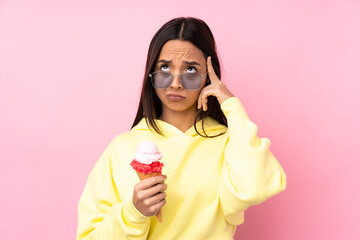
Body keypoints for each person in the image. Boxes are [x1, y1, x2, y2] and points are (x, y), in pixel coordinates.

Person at [76, 17, 287, 240]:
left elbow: (253, 189)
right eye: (165, 68)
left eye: (190, 70)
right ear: (151, 73)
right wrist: (134, 212)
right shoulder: (122, 147)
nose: (175, 83)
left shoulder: (230, 143)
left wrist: (231, 104)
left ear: (208, 76)